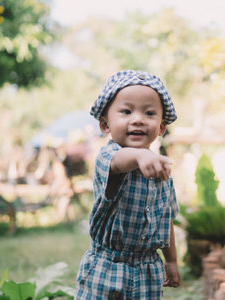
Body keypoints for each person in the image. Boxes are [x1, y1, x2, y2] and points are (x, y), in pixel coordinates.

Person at [75, 70, 180, 299]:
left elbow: (166, 218)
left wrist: (171, 260)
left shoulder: (160, 168)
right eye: (126, 111)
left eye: (149, 113)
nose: (138, 119)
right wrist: (140, 156)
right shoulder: (108, 157)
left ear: (161, 127)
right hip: (107, 268)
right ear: (105, 124)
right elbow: (119, 163)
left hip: (148, 269)